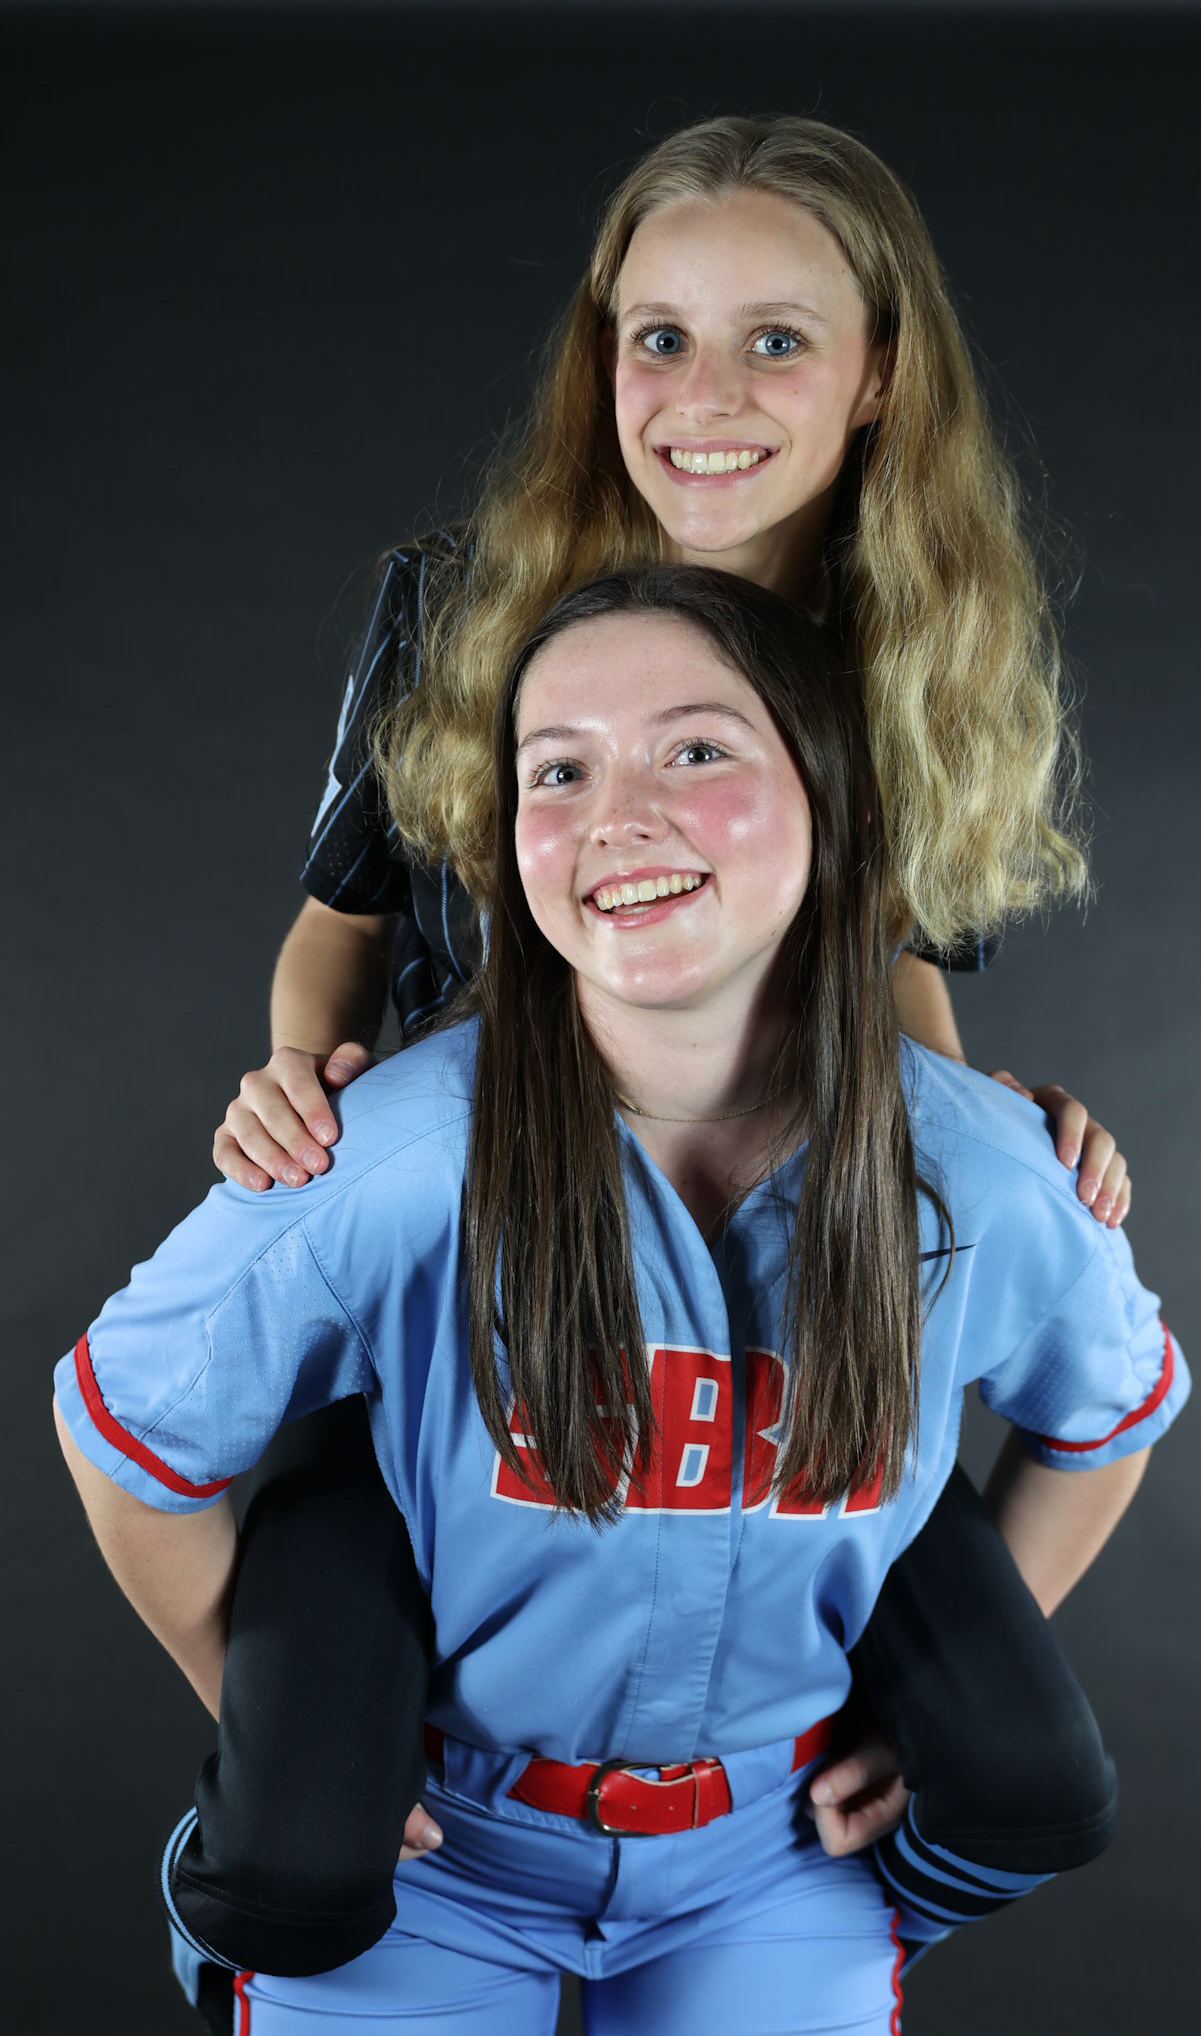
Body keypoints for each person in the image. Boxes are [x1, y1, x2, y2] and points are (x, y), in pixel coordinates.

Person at [164, 115, 1141, 2016]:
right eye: (658, 336)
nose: (707, 395)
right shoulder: (464, 601)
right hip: (490, 1285)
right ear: (600, 355)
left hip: (777, 1285)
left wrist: (988, 1136)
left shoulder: (906, 654)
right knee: (305, 1836)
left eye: (778, 340)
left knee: (1023, 1773)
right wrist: (305, 1086)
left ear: (878, 382)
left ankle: (776, 1914)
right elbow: (336, 928)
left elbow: (895, 986)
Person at [56, 567, 1188, 2036]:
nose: (616, 814)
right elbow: (126, 1427)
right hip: (448, 1861)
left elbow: (1108, 1416)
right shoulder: (395, 1155)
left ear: (832, 796)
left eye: (698, 750)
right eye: (560, 770)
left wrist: (925, 1712)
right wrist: (290, 1743)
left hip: (771, 1858)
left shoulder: (980, 1172)